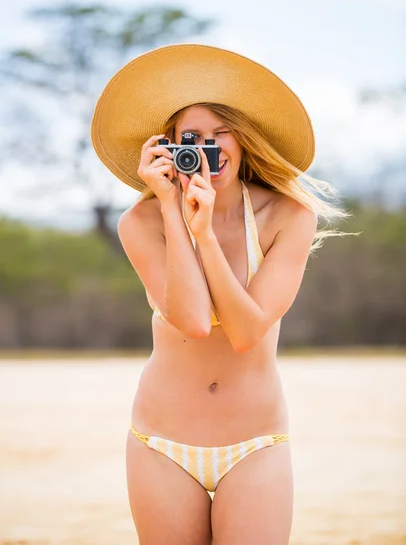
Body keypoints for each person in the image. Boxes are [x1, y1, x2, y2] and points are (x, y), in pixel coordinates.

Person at [91, 44, 349, 545]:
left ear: (243, 140)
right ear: (167, 148)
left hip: (255, 443)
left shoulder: (290, 217)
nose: (206, 149)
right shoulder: (141, 221)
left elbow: (247, 331)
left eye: (218, 135)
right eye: (191, 138)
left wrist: (205, 233)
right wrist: (173, 209)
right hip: (161, 442)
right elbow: (189, 319)